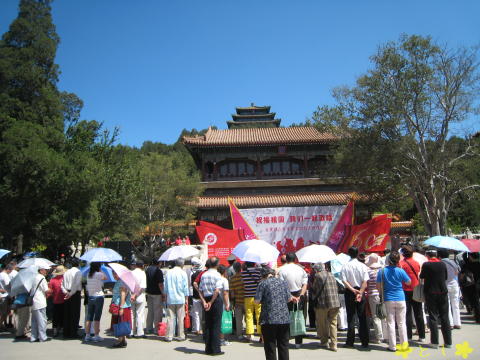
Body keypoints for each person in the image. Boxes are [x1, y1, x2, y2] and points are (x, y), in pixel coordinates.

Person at [255, 266, 293, 360]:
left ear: (263, 275)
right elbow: (289, 299)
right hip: (284, 318)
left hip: (269, 318)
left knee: (270, 346)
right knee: (283, 345)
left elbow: (256, 300)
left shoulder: (262, 283)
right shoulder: (283, 282)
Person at [377, 251, 411, 352]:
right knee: (401, 323)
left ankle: (392, 346)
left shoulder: (382, 271)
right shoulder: (400, 271)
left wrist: (381, 293)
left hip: (388, 298)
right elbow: (409, 282)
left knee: (390, 323)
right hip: (400, 297)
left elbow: (378, 286)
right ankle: (404, 345)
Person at [420, 249, 452, 349]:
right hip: (442, 291)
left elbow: (422, 276)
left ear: (428, 256)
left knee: (433, 316)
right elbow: (446, 277)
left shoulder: (426, 264)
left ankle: (434, 342)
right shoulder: (442, 264)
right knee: (444, 316)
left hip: (431, 292)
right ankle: (448, 342)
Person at [341, 246, 370, 349]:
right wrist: (360, 292)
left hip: (350, 292)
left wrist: (353, 290)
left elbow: (344, 281)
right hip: (360, 292)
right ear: (357, 254)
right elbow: (365, 281)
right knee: (362, 317)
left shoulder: (345, 266)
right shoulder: (362, 266)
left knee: (351, 317)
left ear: (349, 254)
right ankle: (365, 340)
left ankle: (350, 341)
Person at [199, 256, 229, 356]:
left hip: (206, 298)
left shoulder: (204, 275)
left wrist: (204, 302)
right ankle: (216, 349)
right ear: (217, 264)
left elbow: (201, 290)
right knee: (216, 325)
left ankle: (208, 348)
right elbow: (217, 290)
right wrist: (211, 302)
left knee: (208, 324)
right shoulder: (217, 275)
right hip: (215, 300)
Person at [277, 252, 307, 348]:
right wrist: (300, 296)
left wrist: (290, 296)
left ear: (287, 260)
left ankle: (286, 339)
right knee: (299, 317)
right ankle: (298, 342)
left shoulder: (282, 270)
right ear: (295, 259)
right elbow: (305, 284)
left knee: (286, 318)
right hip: (299, 294)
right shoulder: (301, 270)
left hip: (287, 295)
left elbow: (281, 285)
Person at [399, 245, 426, 342]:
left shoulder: (401, 264)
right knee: (418, 313)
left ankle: (409, 335)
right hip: (416, 289)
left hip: (405, 289)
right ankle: (422, 335)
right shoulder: (416, 263)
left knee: (407, 313)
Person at [312, 262, 340, 352]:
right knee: (333, 324)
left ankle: (324, 342)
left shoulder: (317, 276)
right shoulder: (331, 274)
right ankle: (334, 344)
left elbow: (314, 289)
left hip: (323, 303)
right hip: (335, 302)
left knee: (322, 323)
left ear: (316, 269)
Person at [163, 258, 189, 342]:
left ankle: (169, 336)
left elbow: (165, 287)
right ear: (182, 264)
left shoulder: (168, 272)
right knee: (180, 318)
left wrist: (165, 297)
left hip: (170, 298)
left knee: (170, 318)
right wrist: (186, 298)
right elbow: (186, 287)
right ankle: (181, 335)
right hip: (180, 298)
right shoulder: (183, 273)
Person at [438, 249, 462, 329]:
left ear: (439, 256)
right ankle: (457, 323)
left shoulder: (440, 263)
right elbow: (457, 272)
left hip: (445, 285)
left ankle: (450, 323)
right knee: (455, 304)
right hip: (454, 284)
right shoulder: (453, 262)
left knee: (446, 305)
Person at [365, 253, 385, 344]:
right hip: (382, 294)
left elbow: (366, 284)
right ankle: (385, 334)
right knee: (383, 315)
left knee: (375, 316)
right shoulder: (382, 271)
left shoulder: (368, 271)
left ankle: (379, 337)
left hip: (372, 294)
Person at [84, 262, 107, 342]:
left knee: (89, 317)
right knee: (97, 317)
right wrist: (101, 270)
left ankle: (87, 335)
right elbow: (105, 277)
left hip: (91, 296)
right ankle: (96, 335)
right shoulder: (98, 274)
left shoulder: (88, 275)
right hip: (99, 296)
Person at [61, 259, 83, 339]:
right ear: (78, 264)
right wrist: (71, 293)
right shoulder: (78, 272)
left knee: (67, 313)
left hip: (67, 292)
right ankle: (73, 332)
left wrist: (65, 292)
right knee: (75, 313)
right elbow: (76, 284)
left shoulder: (67, 272)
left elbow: (62, 283)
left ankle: (66, 332)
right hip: (74, 293)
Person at [30, 265, 52, 342]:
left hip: (33, 301)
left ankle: (34, 337)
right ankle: (43, 337)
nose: (46, 271)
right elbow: (46, 290)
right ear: (41, 270)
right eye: (45, 270)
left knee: (34, 320)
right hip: (40, 301)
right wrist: (51, 289)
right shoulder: (42, 278)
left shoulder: (33, 277)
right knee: (42, 319)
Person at [241, 261, 262, 342]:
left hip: (247, 296)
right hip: (257, 297)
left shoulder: (243, 273)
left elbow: (243, 284)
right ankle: (261, 334)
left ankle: (249, 335)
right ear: (254, 264)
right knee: (259, 315)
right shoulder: (258, 272)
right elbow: (260, 283)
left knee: (249, 315)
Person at [110, 271, 132, 348]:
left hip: (121, 306)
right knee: (121, 323)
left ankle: (120, 340)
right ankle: (123, 340)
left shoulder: (121, 282)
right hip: (121, 305)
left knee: (120, 323)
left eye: (116, 274)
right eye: (113, 274)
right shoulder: (121, 281)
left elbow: (123, 294)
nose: (114, 276)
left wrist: (121, 307)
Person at [145, 259, 164, 334]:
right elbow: (160, 284)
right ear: (158, 263)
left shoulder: (147, 270)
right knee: (157, 312)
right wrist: (163, 293)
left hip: (149, 292)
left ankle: (148, 328)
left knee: (150, 311)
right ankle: (156, 329)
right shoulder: (158, 271)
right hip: (157, 293)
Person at [460, 252, 480, 323]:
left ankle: (478, 317)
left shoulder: (467, 265)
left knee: (475, 302)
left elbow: (462, 276)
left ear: (471, 257)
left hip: (472, 286)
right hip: (478, 283)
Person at [130, 260, 147, 338]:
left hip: (131, 295)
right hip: (139, 296)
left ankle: (131, 332)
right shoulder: (142, 273)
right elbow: (141, 286)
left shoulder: (131, 273)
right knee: (139, 314)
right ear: (142, 266)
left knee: (132, 314)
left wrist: (132, 295)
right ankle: (140, 332)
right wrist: (136, 295)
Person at [48, 265, 66, 337]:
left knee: (55, 316)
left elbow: (50, 291)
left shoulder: (52, 280)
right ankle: (61, 328)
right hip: (64, 300)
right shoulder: (64, 279)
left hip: (55, 300)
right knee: (62, 315)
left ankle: (55, 329)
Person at [229, 261, 244, 340]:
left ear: (234, 269)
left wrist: (233, 301)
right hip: (246, 300)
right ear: (240, 268)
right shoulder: (244, 276)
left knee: (238, 319)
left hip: (238, 301)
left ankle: (239, 335)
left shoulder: (232, 279)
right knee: (248, 317)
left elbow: (232, 294)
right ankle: (249, 334)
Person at [217, 264, 231, 346]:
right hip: (222, 303)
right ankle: (221, 339)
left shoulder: (216, 279)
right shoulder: (224, 280)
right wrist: (227, 305)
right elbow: (225, 293)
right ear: (224, 272)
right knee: (222, 322)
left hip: (215, 302)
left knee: (217, 321)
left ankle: (217, 338)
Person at [190, 257, 204, 336]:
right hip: (202, 297)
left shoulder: (193, 275)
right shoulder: (203, 274)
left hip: (195, 296)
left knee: (196, 314)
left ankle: (197, 329)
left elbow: (192, 285)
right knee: (202, 314)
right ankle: (202, 329)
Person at [0, 264, 12, 330]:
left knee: (2, 312)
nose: (10, 272)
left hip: (2, 295)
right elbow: (8, 284)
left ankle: (2, 326)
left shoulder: (0, 274)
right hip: (5, 296)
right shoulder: (5, 275)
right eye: (10, 270)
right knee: (4, 313)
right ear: (8, 269)